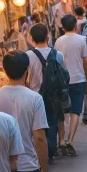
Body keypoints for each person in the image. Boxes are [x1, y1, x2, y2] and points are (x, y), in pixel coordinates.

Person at [27, 23, 66, 163]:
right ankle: (51, 151)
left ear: (31, 38)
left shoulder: (27, 56)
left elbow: (26, 78)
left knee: (37, 124)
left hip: (34, 95)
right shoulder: (58, 55)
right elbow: (64, 75)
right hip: (53, 95)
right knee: (52, 121)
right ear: (48, 36)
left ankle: (40, 151)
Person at [54, 14, 87, 156]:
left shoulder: (58, 41)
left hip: (62, 80)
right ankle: (70, 140)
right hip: (78, 79)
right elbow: (86, 64)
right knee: (76, 110)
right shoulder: (82, 40)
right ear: (76, 24)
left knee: (63, 111)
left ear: (63, 26)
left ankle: (61, 140)